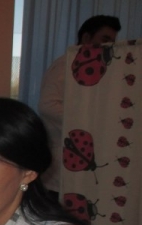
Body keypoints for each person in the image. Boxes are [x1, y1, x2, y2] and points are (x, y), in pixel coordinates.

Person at [38, 15, 121, 198]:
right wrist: (86, 123)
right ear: (86, 38)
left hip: (84, 155)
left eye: (112, 41)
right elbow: (47, 105)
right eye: (105, 39)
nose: (109, 46)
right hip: (63, 156)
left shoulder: (99, 69)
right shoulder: (65, 65)